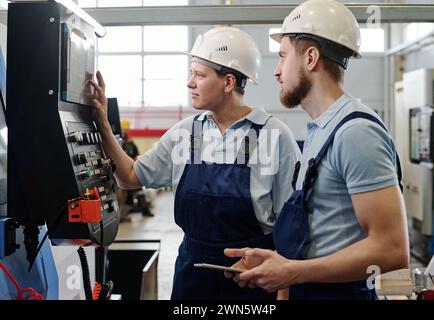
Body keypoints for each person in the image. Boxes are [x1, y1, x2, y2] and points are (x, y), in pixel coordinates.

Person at [89, 26, 301, 300]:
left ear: (228, 82)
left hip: (253, 280)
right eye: (191, 74)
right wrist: (104, 127)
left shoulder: (274, 136)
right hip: (193, 277)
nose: (190, 83)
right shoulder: (184, 134)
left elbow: (292, 226)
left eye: (199, 75)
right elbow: (130, 176)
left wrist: (283, 292)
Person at [225, 0, 409, 300]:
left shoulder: (356, 133)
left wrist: (293, 271)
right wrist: (281, 265)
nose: (277, 71)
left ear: (310, 57)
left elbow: (391, 250)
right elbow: (322, 232)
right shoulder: (320, 130)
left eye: (283, 57)